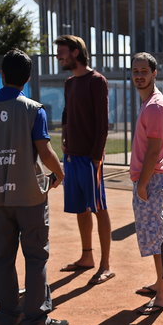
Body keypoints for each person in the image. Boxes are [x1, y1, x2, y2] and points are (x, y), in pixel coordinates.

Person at [0, 49, 68, 325]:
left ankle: (7, 318)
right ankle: (36, 320)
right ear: (26, 79)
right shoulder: (32, 109)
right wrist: (60, 173)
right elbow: (44, 150)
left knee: (2, 257)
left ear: (2, 75)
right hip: (29, 196)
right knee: (36, 257)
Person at [54, 35, 114, 285]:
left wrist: (97, 158)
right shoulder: (69, 83)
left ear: (76, 53)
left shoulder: (97, 81)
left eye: (62, 52)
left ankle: (105, 265)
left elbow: (102, 125)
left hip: (91, 160)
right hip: (72, 157)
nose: (59, 57)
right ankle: (87, 257)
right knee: (80, 208)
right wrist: (65, 140)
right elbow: (67, 115)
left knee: (99, 208)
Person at [129, 52, 163, 315]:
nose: (139, 75)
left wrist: (143, 184)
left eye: (144, 71)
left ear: (154, 74)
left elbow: (154, 150)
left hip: (152, 179)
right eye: (135, 71)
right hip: (149, 179)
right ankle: (160, 283)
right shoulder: (149, 103)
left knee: (156, 238)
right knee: (155, 235)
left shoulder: (155, 106)